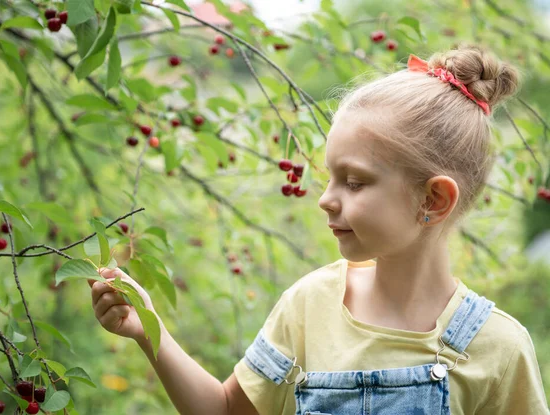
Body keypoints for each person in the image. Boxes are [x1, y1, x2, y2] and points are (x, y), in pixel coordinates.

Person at [88, 43, 549, 414]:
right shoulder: (310, 305)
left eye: (354, 182)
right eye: (330, 177)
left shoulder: (499, 350)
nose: (326, 198)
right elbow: (228, 410)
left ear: (433, 200)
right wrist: (149, 330)